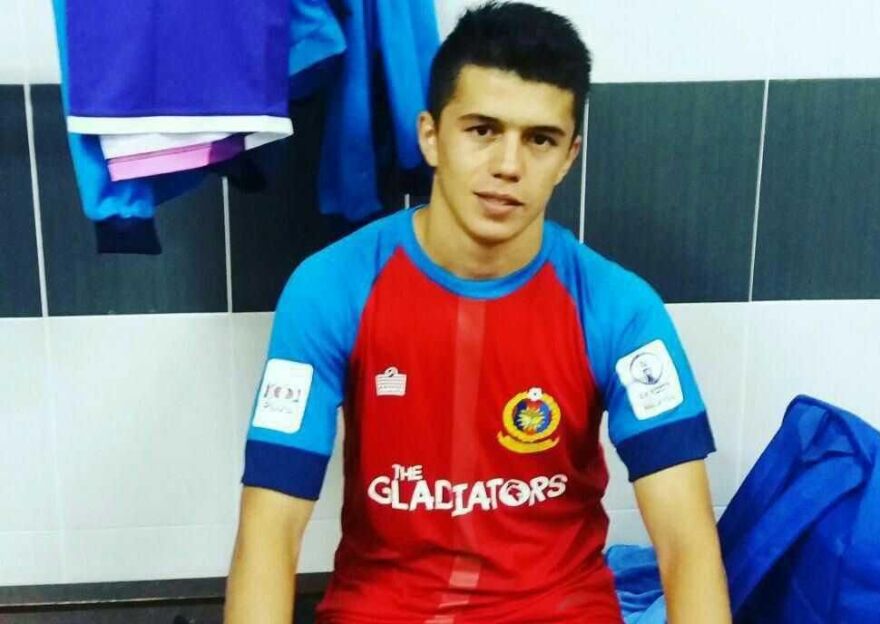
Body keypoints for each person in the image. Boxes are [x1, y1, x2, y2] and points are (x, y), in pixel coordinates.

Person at [225, 2, 731, 622]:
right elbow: (269, 532)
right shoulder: (331, 289)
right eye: (482, 130)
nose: (508, 166)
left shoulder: (619, 309)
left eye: (539, 139)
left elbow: (686, 545)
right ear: (431, 136)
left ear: (568, 156)